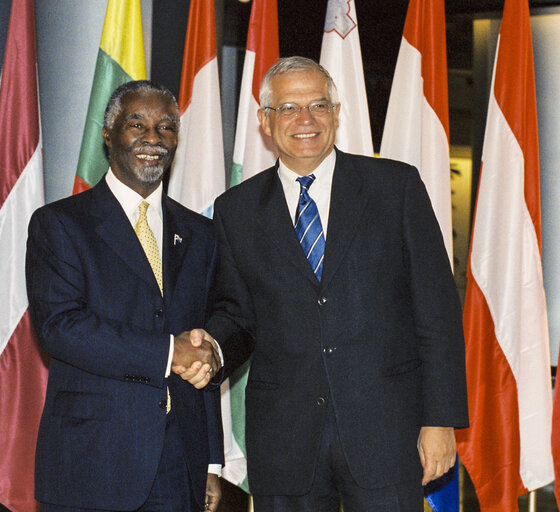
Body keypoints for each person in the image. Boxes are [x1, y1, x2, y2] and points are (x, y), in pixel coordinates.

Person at [175, 57, 468, 511]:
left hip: (388, 436)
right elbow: (238, 316)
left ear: (336, 112)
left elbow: (437, 312)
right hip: (285, 441)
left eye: (318, 105)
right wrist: (212, 350)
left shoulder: (396, 187)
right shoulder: (236, 209)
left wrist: (440, 421)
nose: (306, 120)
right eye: (289, 108)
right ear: (265, 122)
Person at [26, 80, 223, 512]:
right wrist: (168, 353)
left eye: (167, 127)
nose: (153, 138)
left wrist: (210, 459)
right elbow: (61, 328)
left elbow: (201, 342)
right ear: (108, 132)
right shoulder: (59, 224)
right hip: (90, 461)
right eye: (138, 124)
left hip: (178, 463)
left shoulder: (201, 235)